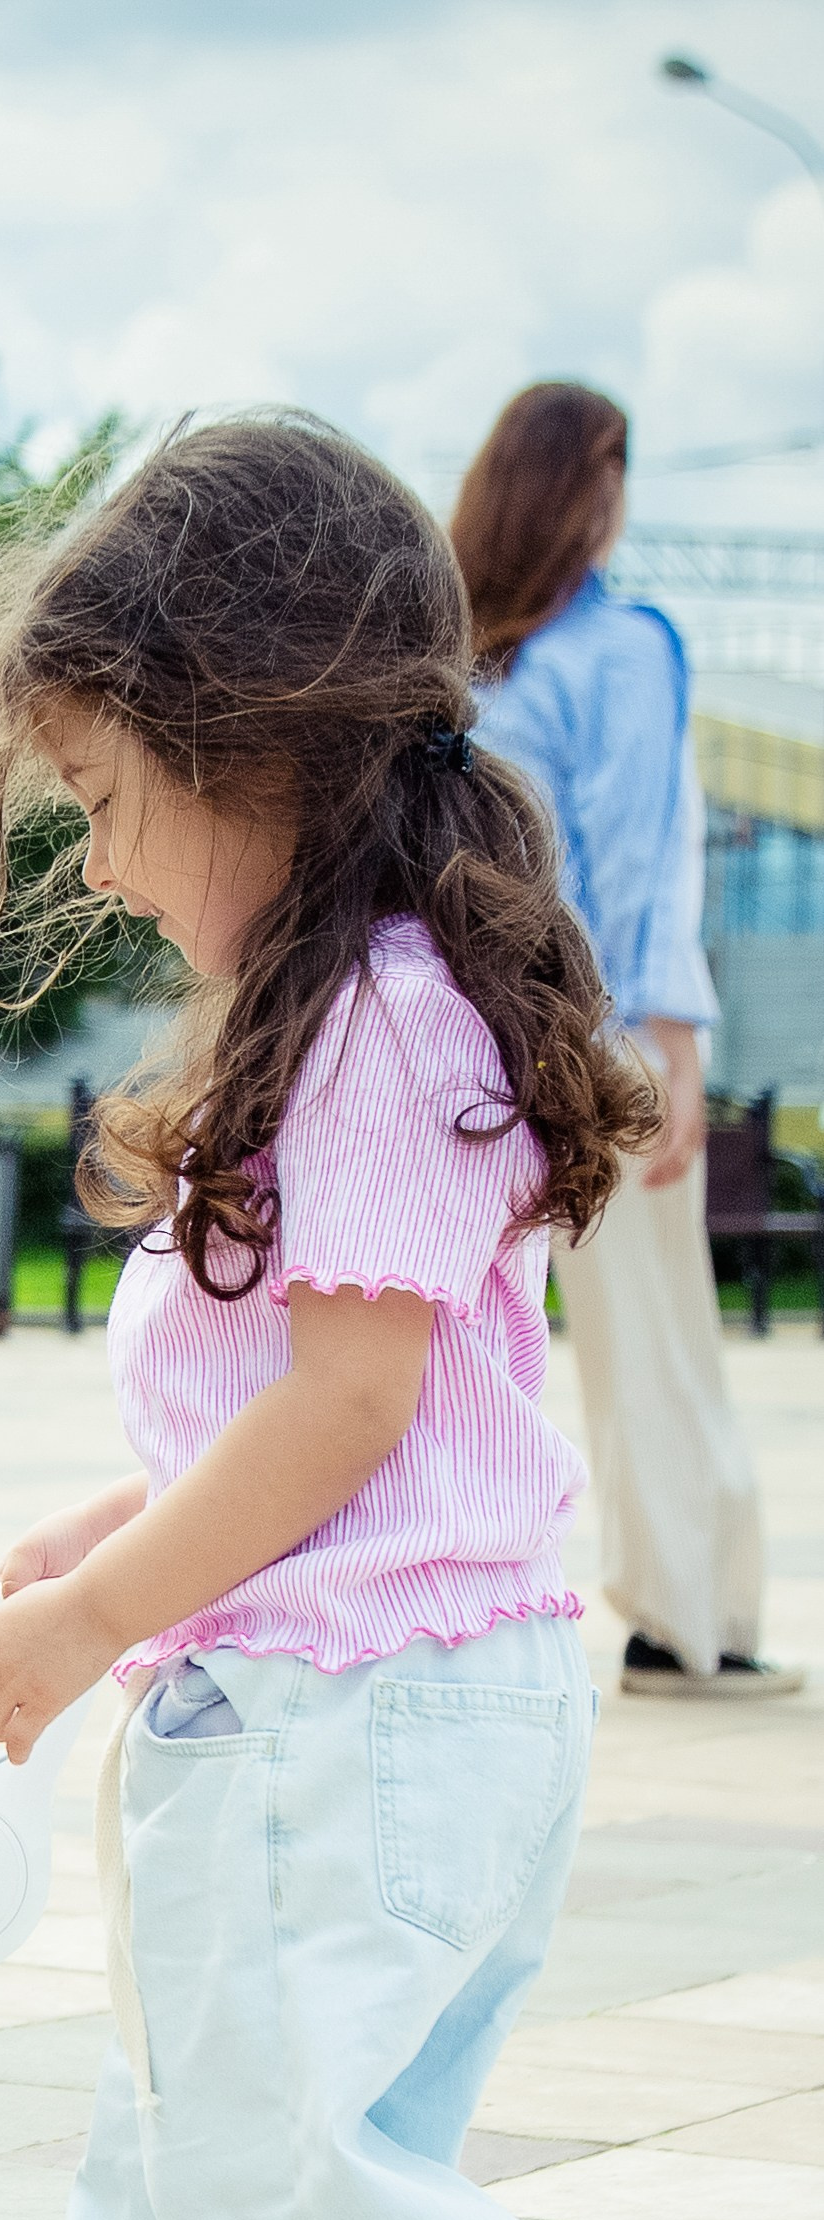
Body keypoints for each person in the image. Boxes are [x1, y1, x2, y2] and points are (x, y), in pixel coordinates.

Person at [0, 413, 806, 2220]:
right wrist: (105, 1533)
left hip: (337, 1739)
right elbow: (343, 1395)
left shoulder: (364, 1015)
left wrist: (83, 1634)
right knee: (204, 2166)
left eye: (110, 794)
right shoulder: (389, 1002)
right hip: (428, 1714)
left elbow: (346, 1406)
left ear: (250, 749)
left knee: (277, 2179)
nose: (103, 858)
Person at [457, 382, 800, 1699]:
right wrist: (677, 1048)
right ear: (592, 490)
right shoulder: (625, 649)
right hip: (597, 1042)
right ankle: (689, 1618)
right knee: (652, 1333)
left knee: (470, 1329)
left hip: (473, 1039)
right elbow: (644, 864)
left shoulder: (471, 667)